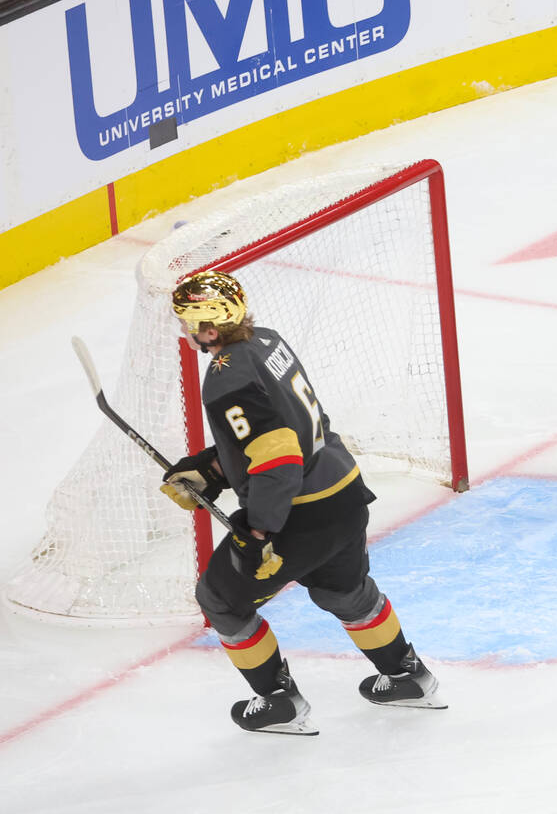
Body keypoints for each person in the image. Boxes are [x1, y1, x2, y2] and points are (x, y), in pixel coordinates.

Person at [161, 270, 445, 734]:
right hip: (343, 493)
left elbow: (278, 460)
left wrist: (257, 530)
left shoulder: (223, 376)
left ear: (206, 327)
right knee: (343, 590)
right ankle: (407, 676)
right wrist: (213, 470)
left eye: (191, 323)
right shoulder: (267, 342)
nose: (191, 333)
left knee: (220, 600)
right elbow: (285, 431)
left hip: (300, 512)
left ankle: (279, 703)